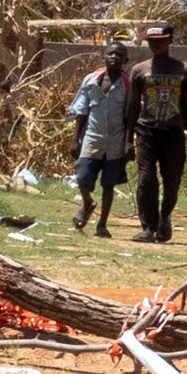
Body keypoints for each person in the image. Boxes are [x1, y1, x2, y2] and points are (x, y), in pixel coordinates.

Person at [123, 23, 187, 243]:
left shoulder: (183, 70)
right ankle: (148, 226)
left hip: (173, 133)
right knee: (146, 179)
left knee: (172, 180)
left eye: (160, 40)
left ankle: (165, 216)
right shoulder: (139, 70)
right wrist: (128, 139)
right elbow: (133, 107)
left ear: (170, 41)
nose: (156, 44)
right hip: (146, 132)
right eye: (152, 41)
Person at [66, 38, 132, 236]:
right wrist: (75, 139)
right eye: (111, 53)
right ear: (103, 56)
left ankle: (102, 224)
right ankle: (88, 202)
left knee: (108, 184)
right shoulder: (91, 80)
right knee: (82, 175)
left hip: (116, 140)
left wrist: (129, 143)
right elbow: (81, 110)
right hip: (92, 137)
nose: (114, 57)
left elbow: (130, 116)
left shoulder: (128, 85)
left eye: (119, 55)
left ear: (125, 60)